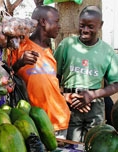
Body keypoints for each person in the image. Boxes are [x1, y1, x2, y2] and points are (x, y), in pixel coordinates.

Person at [54, 5, 118, 142]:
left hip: (95, 104)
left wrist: (92, 95)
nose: (85, 30)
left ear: (100, 25)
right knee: (71, 144)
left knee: (94, 143)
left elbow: (116, 84)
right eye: (82, 25)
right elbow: (54, 77)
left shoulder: (108, 52)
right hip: (71, 103)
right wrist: (64, 96)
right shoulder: (66, 45)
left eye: (90, 26)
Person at [7, 5, 70, 139]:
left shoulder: (49, 51)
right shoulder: (20, 47)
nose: (59, 26)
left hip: (59, 119)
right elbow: (6, 77)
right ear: (43, 22)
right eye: (56, 21)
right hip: (35, 123)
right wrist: (20, 63)